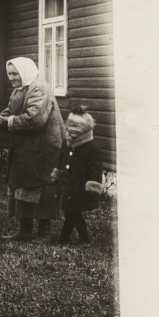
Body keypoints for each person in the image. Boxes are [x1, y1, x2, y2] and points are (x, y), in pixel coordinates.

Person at [0, 57, 65, 241]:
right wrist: (2, 119)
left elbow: (35, 119)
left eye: (15, 73)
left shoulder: (39, 88)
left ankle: (44, 233)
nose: (11, 77)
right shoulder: (20, 89)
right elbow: (12, 110)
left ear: (25, 71)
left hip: (44, 149)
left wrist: (9, 122)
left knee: (42, 189)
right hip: (27, 149)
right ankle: (24, 231)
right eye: (9, 74)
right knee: (23, 186)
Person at [51, 105, 104, 245]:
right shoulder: (66, 143)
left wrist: (93, 185)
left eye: (77, 126)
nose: (72, 129)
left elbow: (96, 169)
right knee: (70, 212)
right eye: (70, 125)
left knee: (72, 212)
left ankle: (68, 238)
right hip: (67, 186)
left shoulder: (92, 148)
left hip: (80, 188)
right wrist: (57, 172)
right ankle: (79, 239)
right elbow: (61, 160)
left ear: (86, 128)